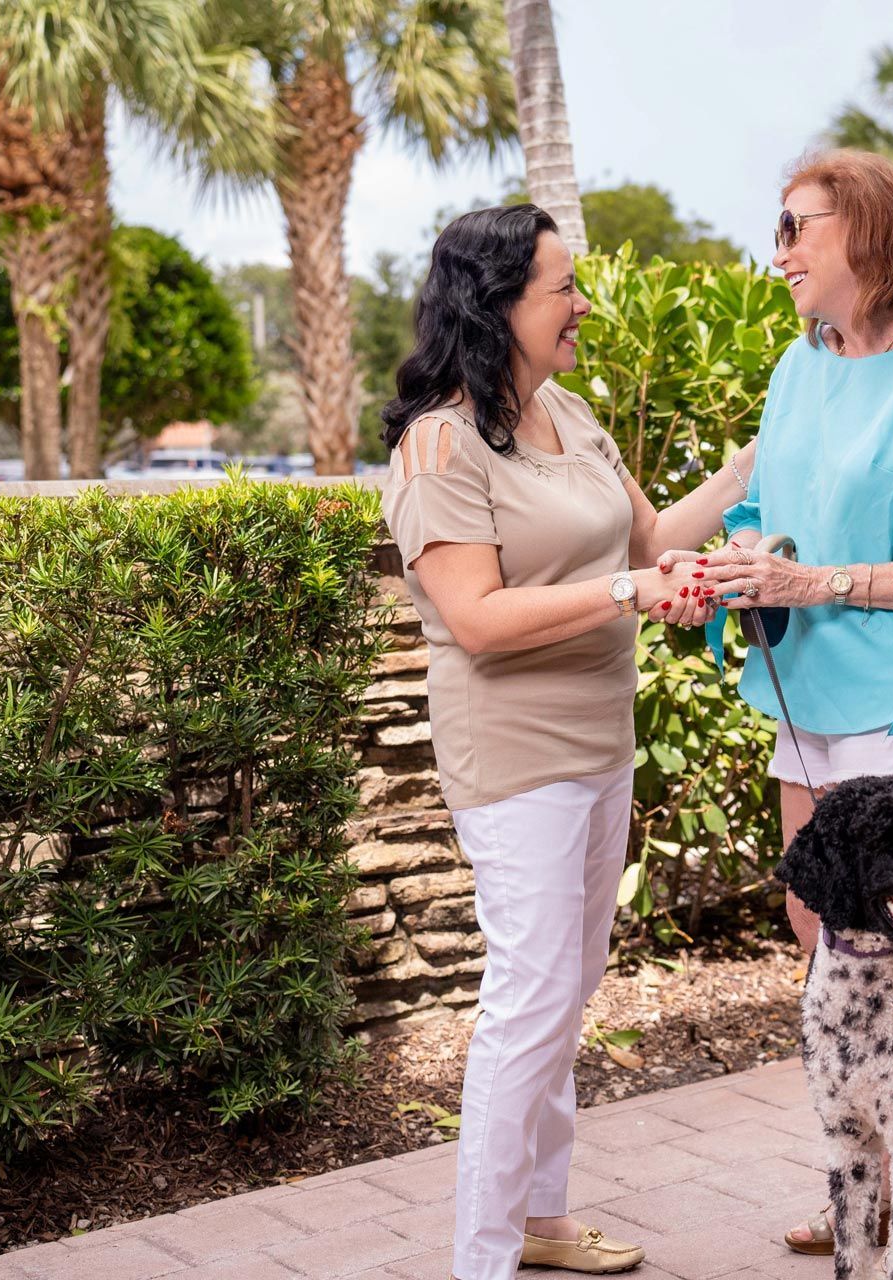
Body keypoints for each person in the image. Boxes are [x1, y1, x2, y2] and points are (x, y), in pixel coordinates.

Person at [379, 204, 752, 1280]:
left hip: (600, 742)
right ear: (496, 306)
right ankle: (483, 1259)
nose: (583, 305)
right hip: (515, 755)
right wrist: (632, 590)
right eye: (563, 288)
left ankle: (541, 1218)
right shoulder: (438, 441)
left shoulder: (571, 412)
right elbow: (480, 620)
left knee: (571, 978)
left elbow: (651, 540)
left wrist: (743, 472)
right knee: (531, 992)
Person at [678, 150, 893, 1280]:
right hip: (806, 682)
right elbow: (780, 512)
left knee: (887, 946)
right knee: (813, 924)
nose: (776, 251)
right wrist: (751, 560)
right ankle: (866, 1185)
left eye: (795, 228)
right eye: (775, 228)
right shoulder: (794, 368)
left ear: (865, 235)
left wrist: (811, 582)